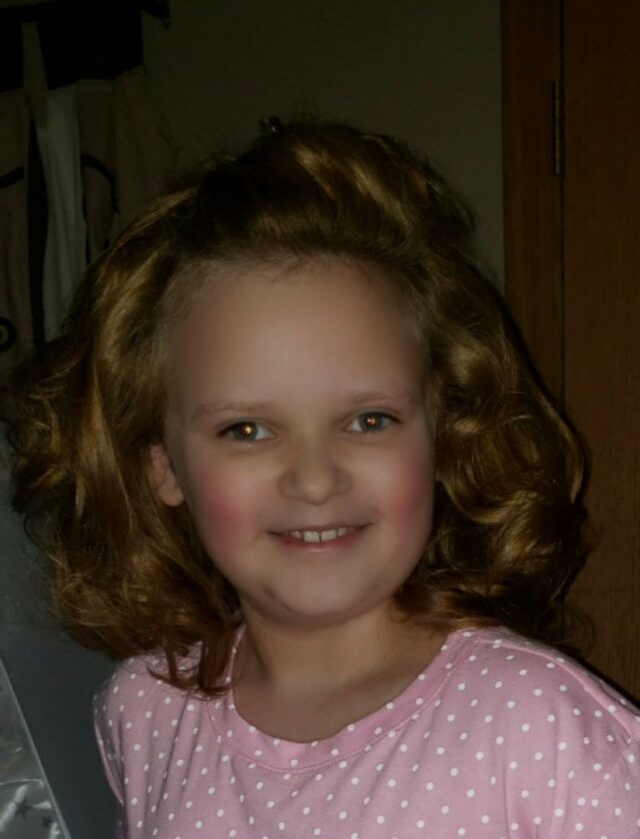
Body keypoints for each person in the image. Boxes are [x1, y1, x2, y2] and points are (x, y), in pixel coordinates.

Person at [4, 118, 639, 838]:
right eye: (247, 430)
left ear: (443, 434)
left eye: (369, 420)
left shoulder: (536, 725)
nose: (314, 479)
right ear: (164, 467)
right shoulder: (146, 711)